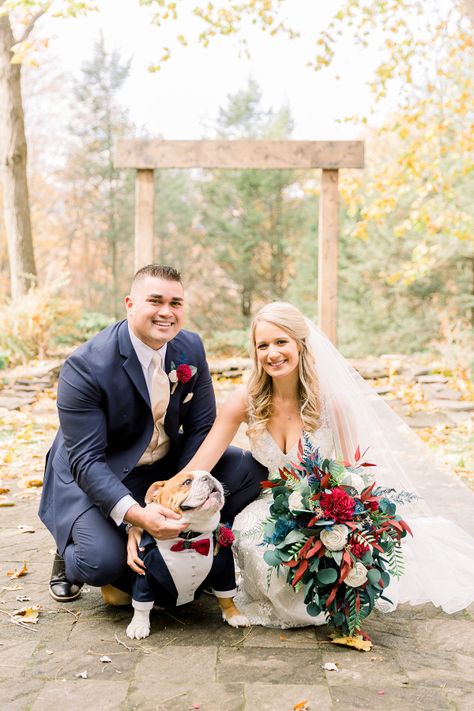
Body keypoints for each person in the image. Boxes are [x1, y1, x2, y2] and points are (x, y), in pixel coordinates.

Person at [129, 301, 474, 626]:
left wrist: (343, 521)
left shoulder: (333, 402)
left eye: (281, 341)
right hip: (271, 506)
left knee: (315, 561)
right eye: (262, 346)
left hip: (325, 508)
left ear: (301, 344)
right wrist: (149, 511)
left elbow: (355, 471)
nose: (272, 353)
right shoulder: (244, 401)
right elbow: (197, 468)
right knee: (252, 540)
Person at [39, 264, 266, 603]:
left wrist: (175, 494)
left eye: (176, 303)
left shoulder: (189, 348)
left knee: (248, 471)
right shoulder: (85, 367)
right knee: (102, 563)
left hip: (164, 465)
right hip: (101, 472)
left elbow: (202, 427)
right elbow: (86, 461)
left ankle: (197, 547)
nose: (167, 312)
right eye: (155, 301)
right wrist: (137, 516)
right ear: (129, 304)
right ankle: (68, 549)